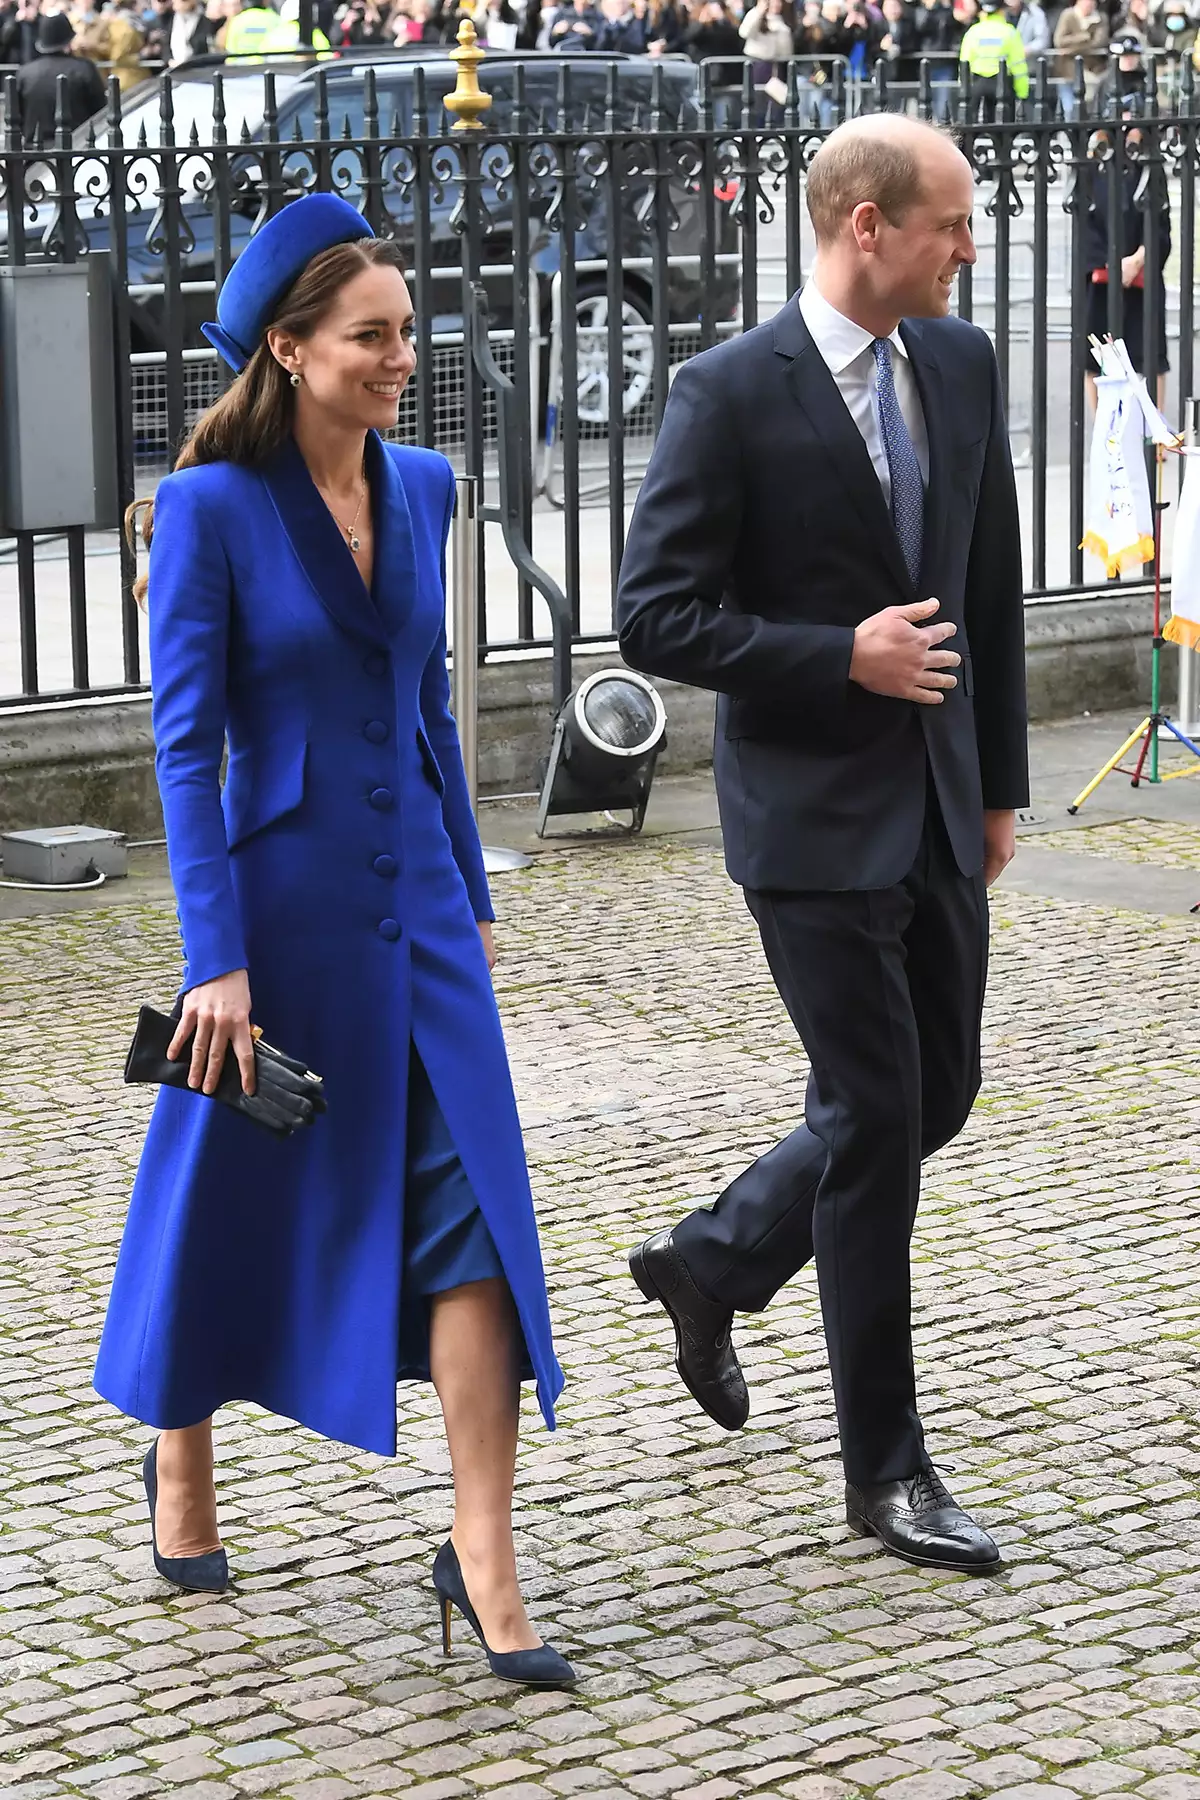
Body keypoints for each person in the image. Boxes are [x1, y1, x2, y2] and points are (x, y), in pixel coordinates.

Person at [93, 193, 574, 1690]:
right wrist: (214, 957)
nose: (400, 357)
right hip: (278, 908)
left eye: (408, 331)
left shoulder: (425, 488)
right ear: (292, 351)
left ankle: (482, 1557)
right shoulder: (212, 514)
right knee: (221, 1178)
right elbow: (185, 751)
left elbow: (428, 714)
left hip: (421, 910)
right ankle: (182, 1470)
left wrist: (475, 903)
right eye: (371, 336)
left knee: (480, 1218)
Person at [616, 115, 1028, 1573]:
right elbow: (656, 617)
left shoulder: (964, 367)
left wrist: (999, 789)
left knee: (939, 1092)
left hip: (937, 803)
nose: (968, 249)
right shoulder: (726, 393)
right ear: (867, 226)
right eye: (952, 224)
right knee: (875, 1126)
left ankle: (714, 1260)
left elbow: (990, 586)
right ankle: (888, 1473)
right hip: (805, 826)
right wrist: (833, 657)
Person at [1082, 98, 1170, 409]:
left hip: (1142, 276)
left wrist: (1138, 259)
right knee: (1096, 359)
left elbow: (1161, 225)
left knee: (1151, 356)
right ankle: (1103, 439)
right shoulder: (1092, 167)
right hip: (1103, 279)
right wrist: (1111, 263)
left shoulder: (1151, 167)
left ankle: (1154, 441)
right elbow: (1085, 224)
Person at [15, 12, 106, 144]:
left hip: (35, 155)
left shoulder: (25, 73)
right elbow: (99, 113)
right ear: (69, 41)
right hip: (77, 150)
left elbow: (17, 118)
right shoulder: (84, 68)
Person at [959, 0, 1029, 118]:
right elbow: (1018, 65)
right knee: (1003, 129)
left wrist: (963, 87)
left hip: (977, 84)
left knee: (973, 128)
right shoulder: (1010, 32)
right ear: (1002, 10)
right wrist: (1022, 92)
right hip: (1002, 84)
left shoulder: (973, 32)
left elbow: (964, 62)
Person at [1053, 0, 1108, 117]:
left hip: (1093, 71)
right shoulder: (1067, 15)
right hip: (1067, 71)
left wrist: (1069, 51)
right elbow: (1059, 41)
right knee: (1068, 109)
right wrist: (1084, 37)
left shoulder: (1101, 18)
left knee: (1091, 106)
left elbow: (1098, 44)